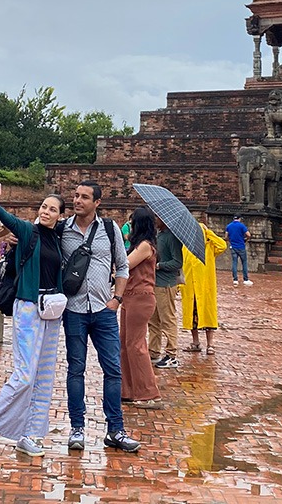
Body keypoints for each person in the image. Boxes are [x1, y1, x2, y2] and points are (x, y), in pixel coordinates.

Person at [0, 184, 67, 459]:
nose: (46, 212)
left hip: (52, 312)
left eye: (52, 209)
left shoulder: (58, 238)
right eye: (44, 207)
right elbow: (6, 218)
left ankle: (29, 435)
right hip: (28, 307)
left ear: (60, 215)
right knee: (24, 376)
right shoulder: (28, 231)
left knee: (43, 377)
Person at [60, 181, 141, 453]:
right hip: (73, 310)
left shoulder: (110, 228)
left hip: (104, 310)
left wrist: (116, 300)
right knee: (75, 370)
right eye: (75, 195)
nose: (78, 200)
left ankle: (115, 430)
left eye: (84, 197)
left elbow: (122, 266)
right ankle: (77, 428)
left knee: (113, 371)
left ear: (97, 202)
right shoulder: (63, 230)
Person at [119, 207, 161, 408]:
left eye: (132, 221)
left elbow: (125, 264)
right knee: (125, 343)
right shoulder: (139, 245)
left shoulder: (146, 246)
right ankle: (127, 389)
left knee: (136, 344)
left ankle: (148, 393)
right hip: (129, 296)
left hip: (140, 297)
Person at [180, 221, 227, 355]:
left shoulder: (209, 246)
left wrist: (208, 232)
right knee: (192, 317)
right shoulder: (186, 247)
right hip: (190, 287)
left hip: (205, 287)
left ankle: (210, 344)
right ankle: (195, 342)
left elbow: (222, 245)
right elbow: (183, 265)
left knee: (208, 316)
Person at [147, 213, 183, 369]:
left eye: (157, 218)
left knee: (167, 319)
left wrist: (160, 265)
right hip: (156, 283)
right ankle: (153, 351)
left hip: (166, 284)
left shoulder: (171, 237)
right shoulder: (158, 235)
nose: (155, 220)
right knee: (153, 320)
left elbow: (177, 262)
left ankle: (171, 354)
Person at [224, 215, 252, 286]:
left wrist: (230, 241)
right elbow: (248, 235)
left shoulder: (229, 226)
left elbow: (226, 237)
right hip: (241, 246)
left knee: (234, 263)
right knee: (244, 262)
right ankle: (245, 279)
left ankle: (235, 280)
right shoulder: (242, 226)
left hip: (233, 246)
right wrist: (246, 239)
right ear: (239, 219)